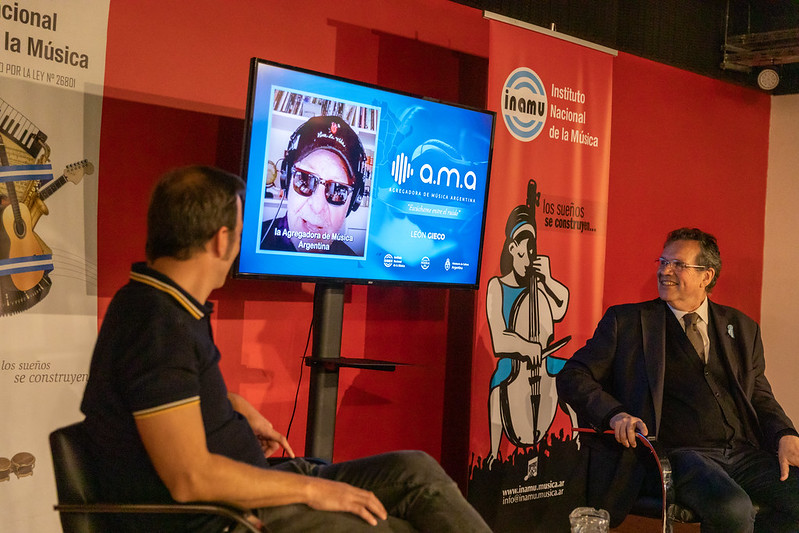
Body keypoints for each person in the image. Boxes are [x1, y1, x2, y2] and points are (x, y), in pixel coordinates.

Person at [80, 165, 491, 533]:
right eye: (241, 234)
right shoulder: (156, 324)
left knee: (416, 471)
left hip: (246, 486)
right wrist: (310, 490)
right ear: (222, 240)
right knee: (398, 526)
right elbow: (190, 478)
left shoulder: (156, 303)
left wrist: (231, 405)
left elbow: (161, 397)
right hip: (224, 516)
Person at [556, 227, 799, 532]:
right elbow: (573, 375)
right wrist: (615, 414)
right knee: (733, 507)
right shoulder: (628, 323)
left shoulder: (742, 327)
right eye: (663, 262)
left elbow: (760, 396)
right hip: (677, 455)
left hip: (740, 452)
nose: (665, 271)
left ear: (706, 276)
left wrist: (785, 435)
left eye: (678, 264)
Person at [484, 190, 573, 467]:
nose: (527, 260)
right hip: (514, 362)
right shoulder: (496, 286)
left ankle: (578, 439)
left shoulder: (538, 286)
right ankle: (494, 451)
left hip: (542, 363)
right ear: (512, 249)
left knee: (576, 375)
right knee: (498, 383)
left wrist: (547, 279)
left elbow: (561, 308)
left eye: (531, 253)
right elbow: (499, 340)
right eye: (523, 254)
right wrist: (526, 346)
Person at [261, 115, 366, 256]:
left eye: (338, 190)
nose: (317, 207)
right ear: (286, 179)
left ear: (353, 201)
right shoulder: (249, 243)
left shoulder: (353, 264)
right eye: (304, 179)